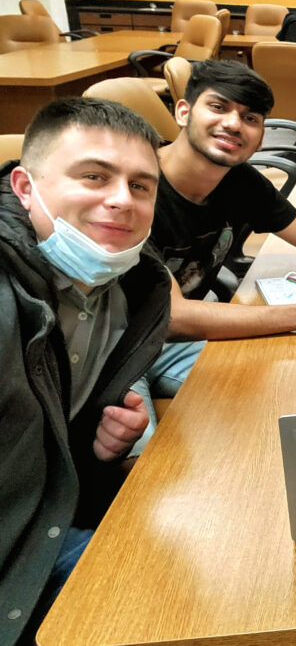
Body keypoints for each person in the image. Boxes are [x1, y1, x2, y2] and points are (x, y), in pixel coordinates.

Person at [135, 59, 296, 439]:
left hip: (180, 344)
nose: (235, 124)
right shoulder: (134, 188)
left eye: (250, 118)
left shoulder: (240, 183)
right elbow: (173, 316)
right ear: (183, 112)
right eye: (219, 108)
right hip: (117, 352)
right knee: (140, 475)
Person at [0, 97, 170, 645]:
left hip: (46, 528)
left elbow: (42, 451)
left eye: (141, 186)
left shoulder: (134, 289)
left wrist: (97, 452)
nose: (121, 200)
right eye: (94, 176)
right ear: (25, 187)